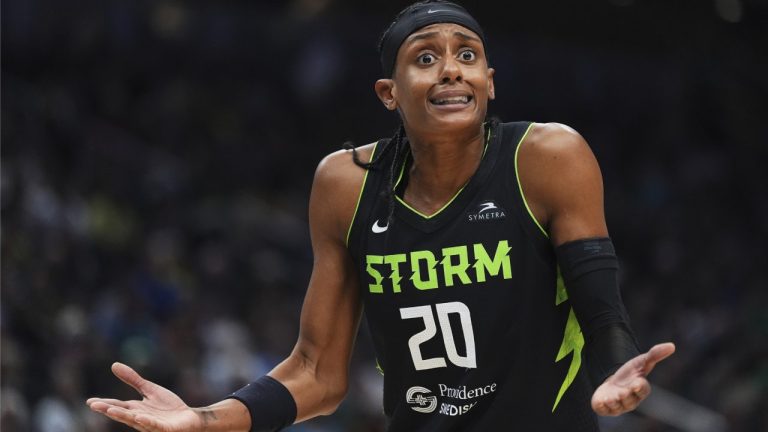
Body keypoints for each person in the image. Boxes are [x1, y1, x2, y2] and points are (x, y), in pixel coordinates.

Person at [87, 1, 675, 430]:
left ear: (489, 84)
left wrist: (620, 369)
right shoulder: (344, 184)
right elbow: (317, 372)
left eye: (467, 56)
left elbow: (603, 317)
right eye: (426, 57)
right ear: (389, 92)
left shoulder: (547, 157)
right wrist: (205, 420)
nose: (451, 69)